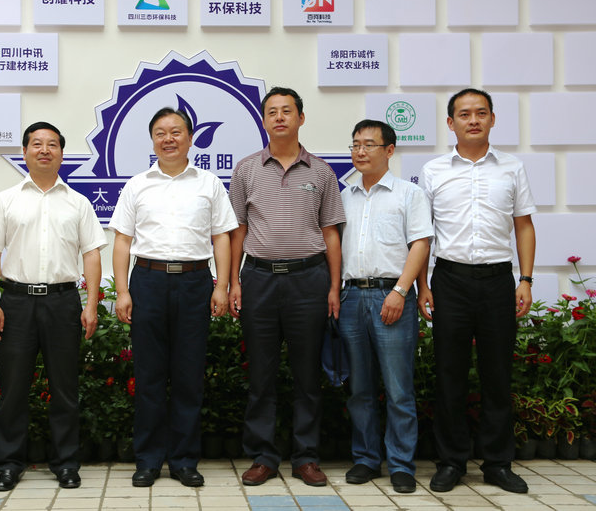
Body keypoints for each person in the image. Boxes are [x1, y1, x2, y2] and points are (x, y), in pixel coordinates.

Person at [109, 107, 238, 488]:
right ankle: (148, 460)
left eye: (176, 132)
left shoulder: (209, 183)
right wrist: (122, 291)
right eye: (161, 133)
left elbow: (221, 237)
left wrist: (221, 285)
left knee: (188, 376)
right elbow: (122, 240)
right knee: (148, 375)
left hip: (195, 282)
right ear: (152, 140)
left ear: (190, 138)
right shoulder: (137, 185)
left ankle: (184, 460)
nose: (169, 139)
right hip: (147, 281)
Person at [418, 88, 536, 494]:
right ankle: (451, 462)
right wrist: (422, 285)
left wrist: (526, 279)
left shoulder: (512, 168)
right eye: (465, 114)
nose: (473, 120)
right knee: (449, 374)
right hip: (449, 280)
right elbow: (422, 234)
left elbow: (524, 225)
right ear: (450, 123)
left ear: (492, 119)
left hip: (497, 280)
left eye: (481, 113)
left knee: (497, 374)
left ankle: (498, 463)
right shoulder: (433, 170)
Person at [0, 121, 106, 491]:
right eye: (37, 144)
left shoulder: (78, 202)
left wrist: (91, 304)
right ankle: (8, 464)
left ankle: (66, 463)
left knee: (65, 388)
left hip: (62, 302)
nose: (44, 150)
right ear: (25, 152)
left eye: (52, 144)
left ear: (62, 154)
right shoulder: (6, 199)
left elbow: (92, 254)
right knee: (13, 388)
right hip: (16, 302)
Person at [228, 87, 345, 487]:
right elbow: (237, 231)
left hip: (308, 280)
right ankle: (263, 456)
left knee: (307, 374)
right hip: (258, 279)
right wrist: (233, 281)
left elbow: (330, 234)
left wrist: (333, 287)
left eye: (287, 111)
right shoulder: (246, 169)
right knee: (261, 374)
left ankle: (306, 457)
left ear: (301, 118)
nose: (279, 117)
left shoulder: (321, 172)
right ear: (263, 120)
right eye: (272, 112)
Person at [337, 120, 433, 494]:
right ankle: (365, 458)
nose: (360, 151)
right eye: (355, 144)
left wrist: (402, 290)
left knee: (398, 388)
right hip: (351, 298)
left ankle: (401, 464)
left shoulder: (409, 194)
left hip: (392, 295)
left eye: (369, 144)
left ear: (389, 150)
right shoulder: (344, 196)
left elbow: (420, 244)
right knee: (359, 388)